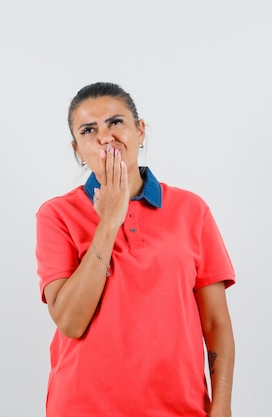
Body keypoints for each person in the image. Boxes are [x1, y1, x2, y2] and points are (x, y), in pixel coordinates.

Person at [35, 82, 236, 417]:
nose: (105, 136)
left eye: (116, 122)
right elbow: (70, 322)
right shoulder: (57, 215)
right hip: (83, 408)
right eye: (89, 130)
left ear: (139, 131)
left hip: (180, 409)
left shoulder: (191, 210)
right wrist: (109, 221)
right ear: (77, 149)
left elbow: (216, 322)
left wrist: (222, 407)